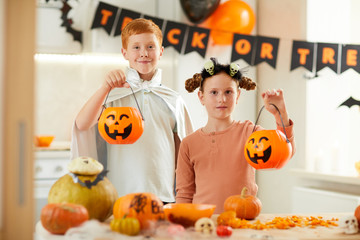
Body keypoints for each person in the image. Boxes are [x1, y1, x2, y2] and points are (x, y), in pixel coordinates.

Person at [71, 18, 193, 203]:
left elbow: (184, 152)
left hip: (163, 194)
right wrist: (105, 88)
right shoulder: (113, 95)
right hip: (119, 193)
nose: (144, 53)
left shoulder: (173, 100)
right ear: (124, 53)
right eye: (136, 47)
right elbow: (82, 124)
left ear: (160, 52)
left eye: (151, 47)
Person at [175, 57, 296, 213]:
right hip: (204, 224)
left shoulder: (250, 133)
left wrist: (281, 114)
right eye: (214, 92)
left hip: (243, 221)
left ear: (237, 96)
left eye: (228, 92)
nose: (222, 99)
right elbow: (184, 195)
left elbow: (287, 151)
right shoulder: (188, 143)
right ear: (201, 97)